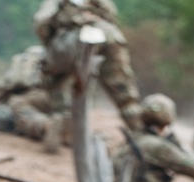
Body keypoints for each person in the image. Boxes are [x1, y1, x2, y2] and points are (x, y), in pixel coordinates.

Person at [34, 0, 143, 129]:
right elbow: (112, 17)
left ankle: (62, 126)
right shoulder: (100, 9)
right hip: (107, 37)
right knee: (122, 90)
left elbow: (41, 24)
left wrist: (50, 44)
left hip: (67, 45)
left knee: (57, 83)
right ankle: (137, 126)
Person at [0, 45, 71, 153]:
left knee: (17, 105)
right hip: (60, 98)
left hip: (35, 97)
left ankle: (45, 125)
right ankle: (69, 133)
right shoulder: (54, 61)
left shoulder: (21, 64)